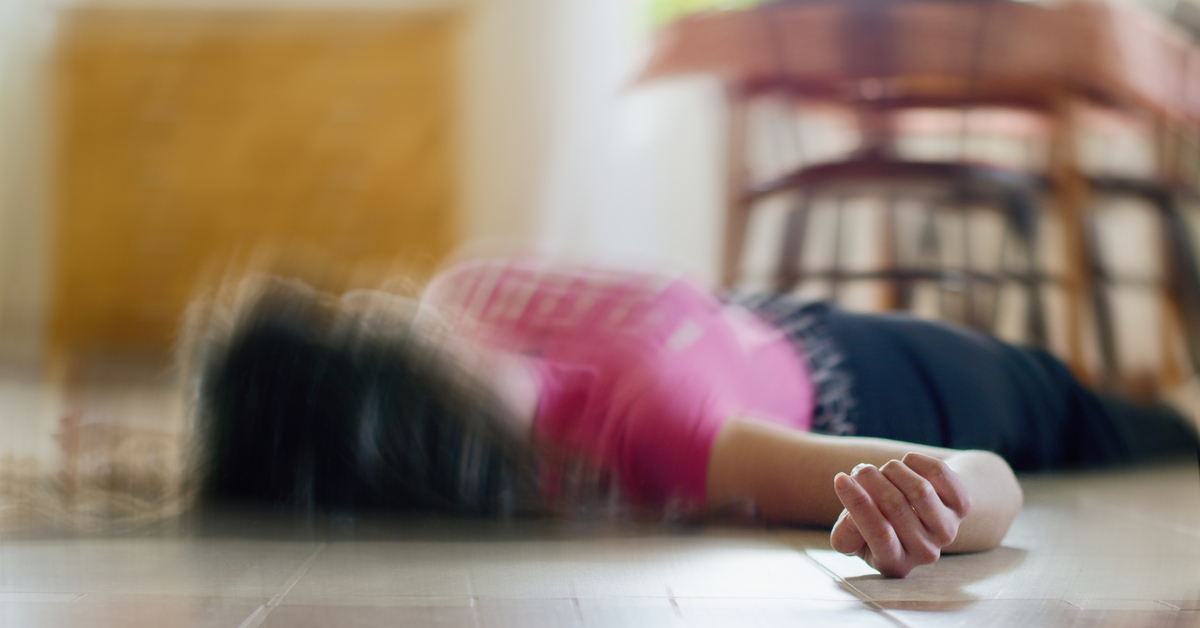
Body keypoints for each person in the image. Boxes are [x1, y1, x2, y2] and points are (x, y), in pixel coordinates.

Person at [186, 257, 1200, 578]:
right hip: (925, 385)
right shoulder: (661, 431)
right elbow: (988, 478)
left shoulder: (468, 289)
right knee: (1154, 433)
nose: (389, 313)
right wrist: (931, 502)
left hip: (797, 327)